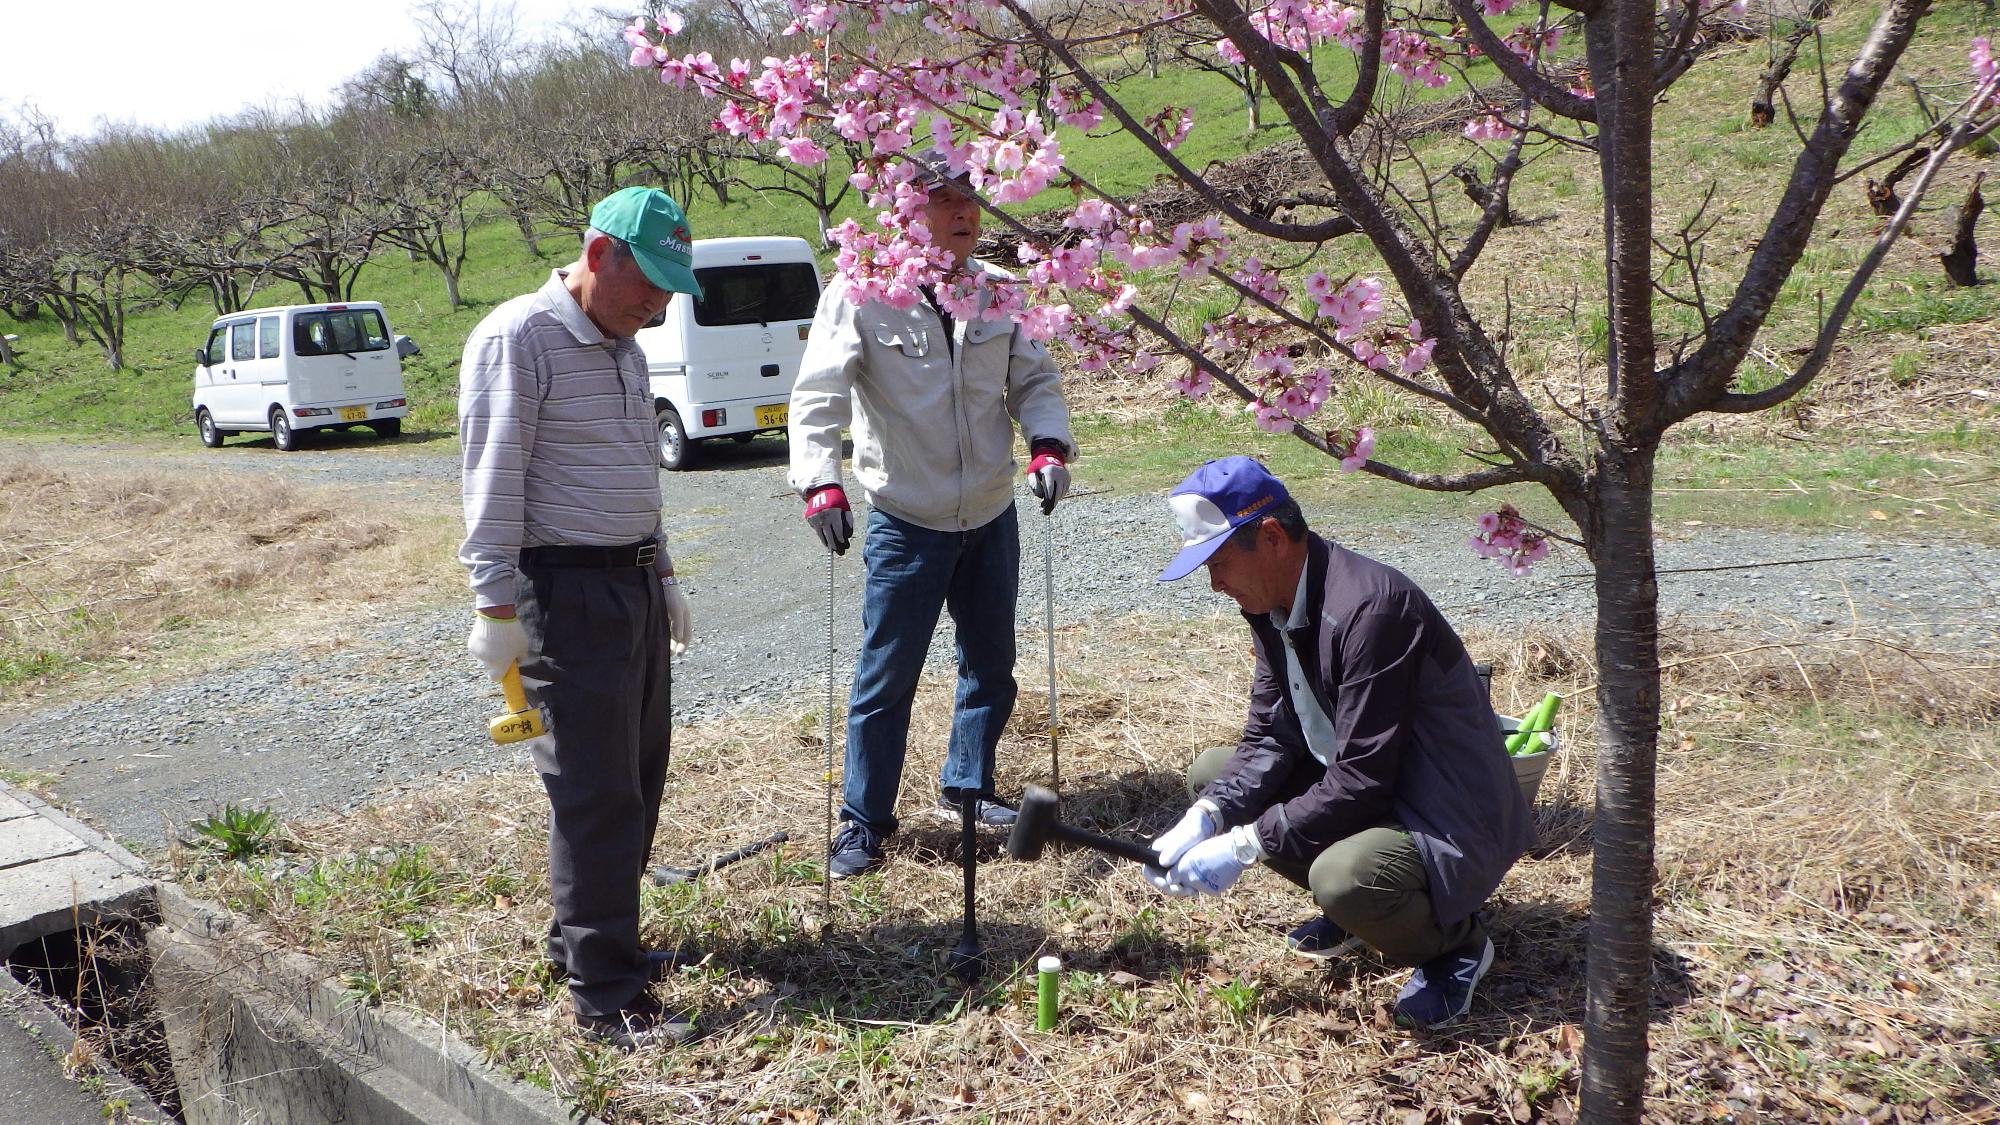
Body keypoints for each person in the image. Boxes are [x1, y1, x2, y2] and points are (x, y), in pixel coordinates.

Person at [1141, 456, 1534, 1027]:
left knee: (1342, 879)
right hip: (1375, 788)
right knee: (1213, 776)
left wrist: (1246, 844)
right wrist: (1209, 816)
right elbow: (1270, 733)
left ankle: (1454, 945)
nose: (1215, 584)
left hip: (1445, 810)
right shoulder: (1273, 602)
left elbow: (1364, 777)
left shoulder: (1371, 610)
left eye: (1219, 563)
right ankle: (1364, 911)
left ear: (1271, 538)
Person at [789, 152, 1076, 879]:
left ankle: (969, 787)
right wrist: (820, 483)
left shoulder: (999, 290)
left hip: (990, 512)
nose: (964, 212)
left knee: (992, 664)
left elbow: (1035, 381)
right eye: (943, 199)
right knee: (886, 677)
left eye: (970, 197)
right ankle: (863, 822)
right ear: (905, 212)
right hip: (905, 518)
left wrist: (1047, 445)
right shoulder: (861, 292)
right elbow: (818, 394)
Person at [458, 186, 700, 1050]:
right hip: (563, 591)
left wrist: (662, 572)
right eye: (649, 283)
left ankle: (587, 942)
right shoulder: (520, 338)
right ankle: (607, 997)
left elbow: (637, 471)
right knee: (595, 794)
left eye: (672, 288)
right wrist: (494, 606)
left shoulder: (625, 345)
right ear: (598, 254)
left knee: (637, 774)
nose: (659, 304)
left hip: (629, 584)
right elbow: (493, 478)